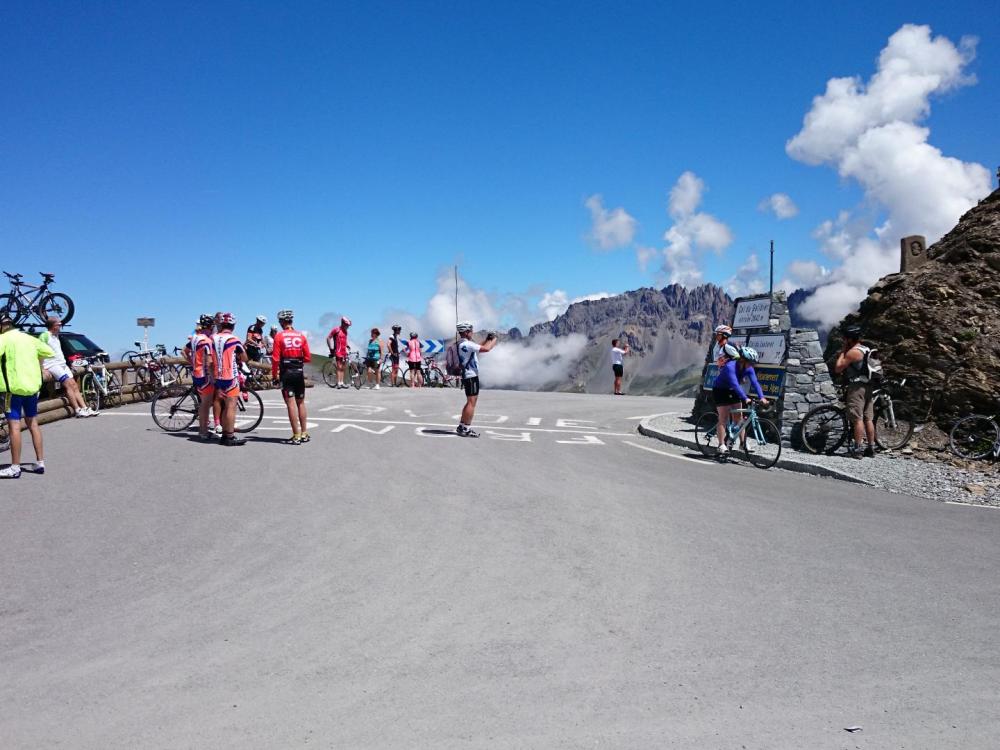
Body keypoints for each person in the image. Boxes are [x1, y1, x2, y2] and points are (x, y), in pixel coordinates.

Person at [0, 313, 54, 478]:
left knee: (14, 427)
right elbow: (48, 351)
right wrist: (39, 364)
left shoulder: (3, 339)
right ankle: (40, 463)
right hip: (31, 388)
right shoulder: (28, 338)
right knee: (33, 424)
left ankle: (15, 467)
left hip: (12, 389)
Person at [711, 344, 768, 460]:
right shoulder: (730, 367)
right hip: (720, 390)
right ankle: (721, 445)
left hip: (733, 390)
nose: (752, 365)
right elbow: (735, 385)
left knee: (739, 418)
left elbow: (755, 383)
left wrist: (762, 397)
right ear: (743, 360)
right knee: (724, 418)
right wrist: (745, 398)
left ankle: (742, 444)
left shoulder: (748, 368)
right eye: (750, 362)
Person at [833, 324, 877, 458]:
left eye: (845, 338)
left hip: (857, 388)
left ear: (850, 339)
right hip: (869, 386)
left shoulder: (853, 352)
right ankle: (870, 448)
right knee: (868, 418)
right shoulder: (866, 349)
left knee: (857, 419)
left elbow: (838, 368)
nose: (844, 340)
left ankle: (857, 450)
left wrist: (842, 353)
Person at [39, 317, 96, 417]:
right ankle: (77, 409)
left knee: (74, 385)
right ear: (53, 325)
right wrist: (42, 368)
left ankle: (84, 407)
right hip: (52, 364)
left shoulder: (56, 336)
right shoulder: (44, 335)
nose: (60, 325)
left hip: (62, 364)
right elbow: (39, 351)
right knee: (68, 384)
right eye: (58, 324)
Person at [272, 309, 311, 445]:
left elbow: (275, 359)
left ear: (282, 322)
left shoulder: (279, 336)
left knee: (291, 404)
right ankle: (304, 432)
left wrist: (274, 376)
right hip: (299, 372)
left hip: (286, 372)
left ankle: (296, 435)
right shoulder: (301, 335)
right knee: (301, 402)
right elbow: (307, 357)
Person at [455, 322, 497, 437]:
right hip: (471, 375)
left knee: (469, 402)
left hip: (467, 375)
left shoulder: (463, 344)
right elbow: (486, 349)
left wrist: (487, 339)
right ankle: (466, 428)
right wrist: (494, 339)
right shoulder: (468, 344)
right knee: (471, 403)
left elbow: (477, 347)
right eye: (471, 330)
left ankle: (462, 425)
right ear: (467, 332)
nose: (472, 332)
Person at [212, 312, 248, 446]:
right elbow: (244, 358)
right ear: (233, 325)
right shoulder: (234, 339)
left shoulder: (213, 338)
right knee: (230, 407)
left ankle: (222, 433)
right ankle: (230, 436)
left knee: (220, 404)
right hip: (230, 376)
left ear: (221, 324)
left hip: (217, 375)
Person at [185, 314, 217, 441]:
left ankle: (203, 429)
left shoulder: (194, 338)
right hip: (205, 375)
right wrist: (213, 377)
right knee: (205, 404)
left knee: (204, 403)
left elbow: (184, 351)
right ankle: (203, 431)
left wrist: (192, 363)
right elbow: (209, 362)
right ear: (210, 326)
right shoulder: (207, 341)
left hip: (196, 373)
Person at [326, 316, 351, 389]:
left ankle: (341, 382)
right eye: (346, 325)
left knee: (343, 367)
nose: (347, 327)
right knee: (339, 367)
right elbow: (328, 338)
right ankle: (338, 383)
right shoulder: (336, 330)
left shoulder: (345, 332)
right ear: (342, 323)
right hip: (338, 351)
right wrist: (330, 348)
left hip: (344, 351)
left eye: (348, 325)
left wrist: (347, 345)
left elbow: (345, 340)